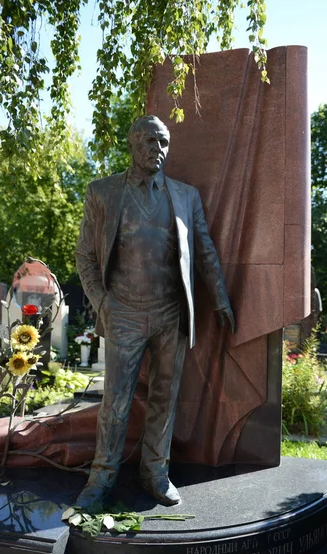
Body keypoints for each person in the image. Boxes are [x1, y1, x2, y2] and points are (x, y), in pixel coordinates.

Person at [75, 115, 234, 507]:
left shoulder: (185, 196)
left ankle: (156, 473)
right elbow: (84, 256)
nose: (157, 150)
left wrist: (221, 300)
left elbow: (205, 252)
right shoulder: (103, 192)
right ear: (132, 144)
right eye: (149, 142)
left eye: (163, 143)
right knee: (115, 402)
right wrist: (102, 303)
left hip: (170, 314)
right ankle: (101, 479)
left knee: (165, 397)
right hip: (123, 313)